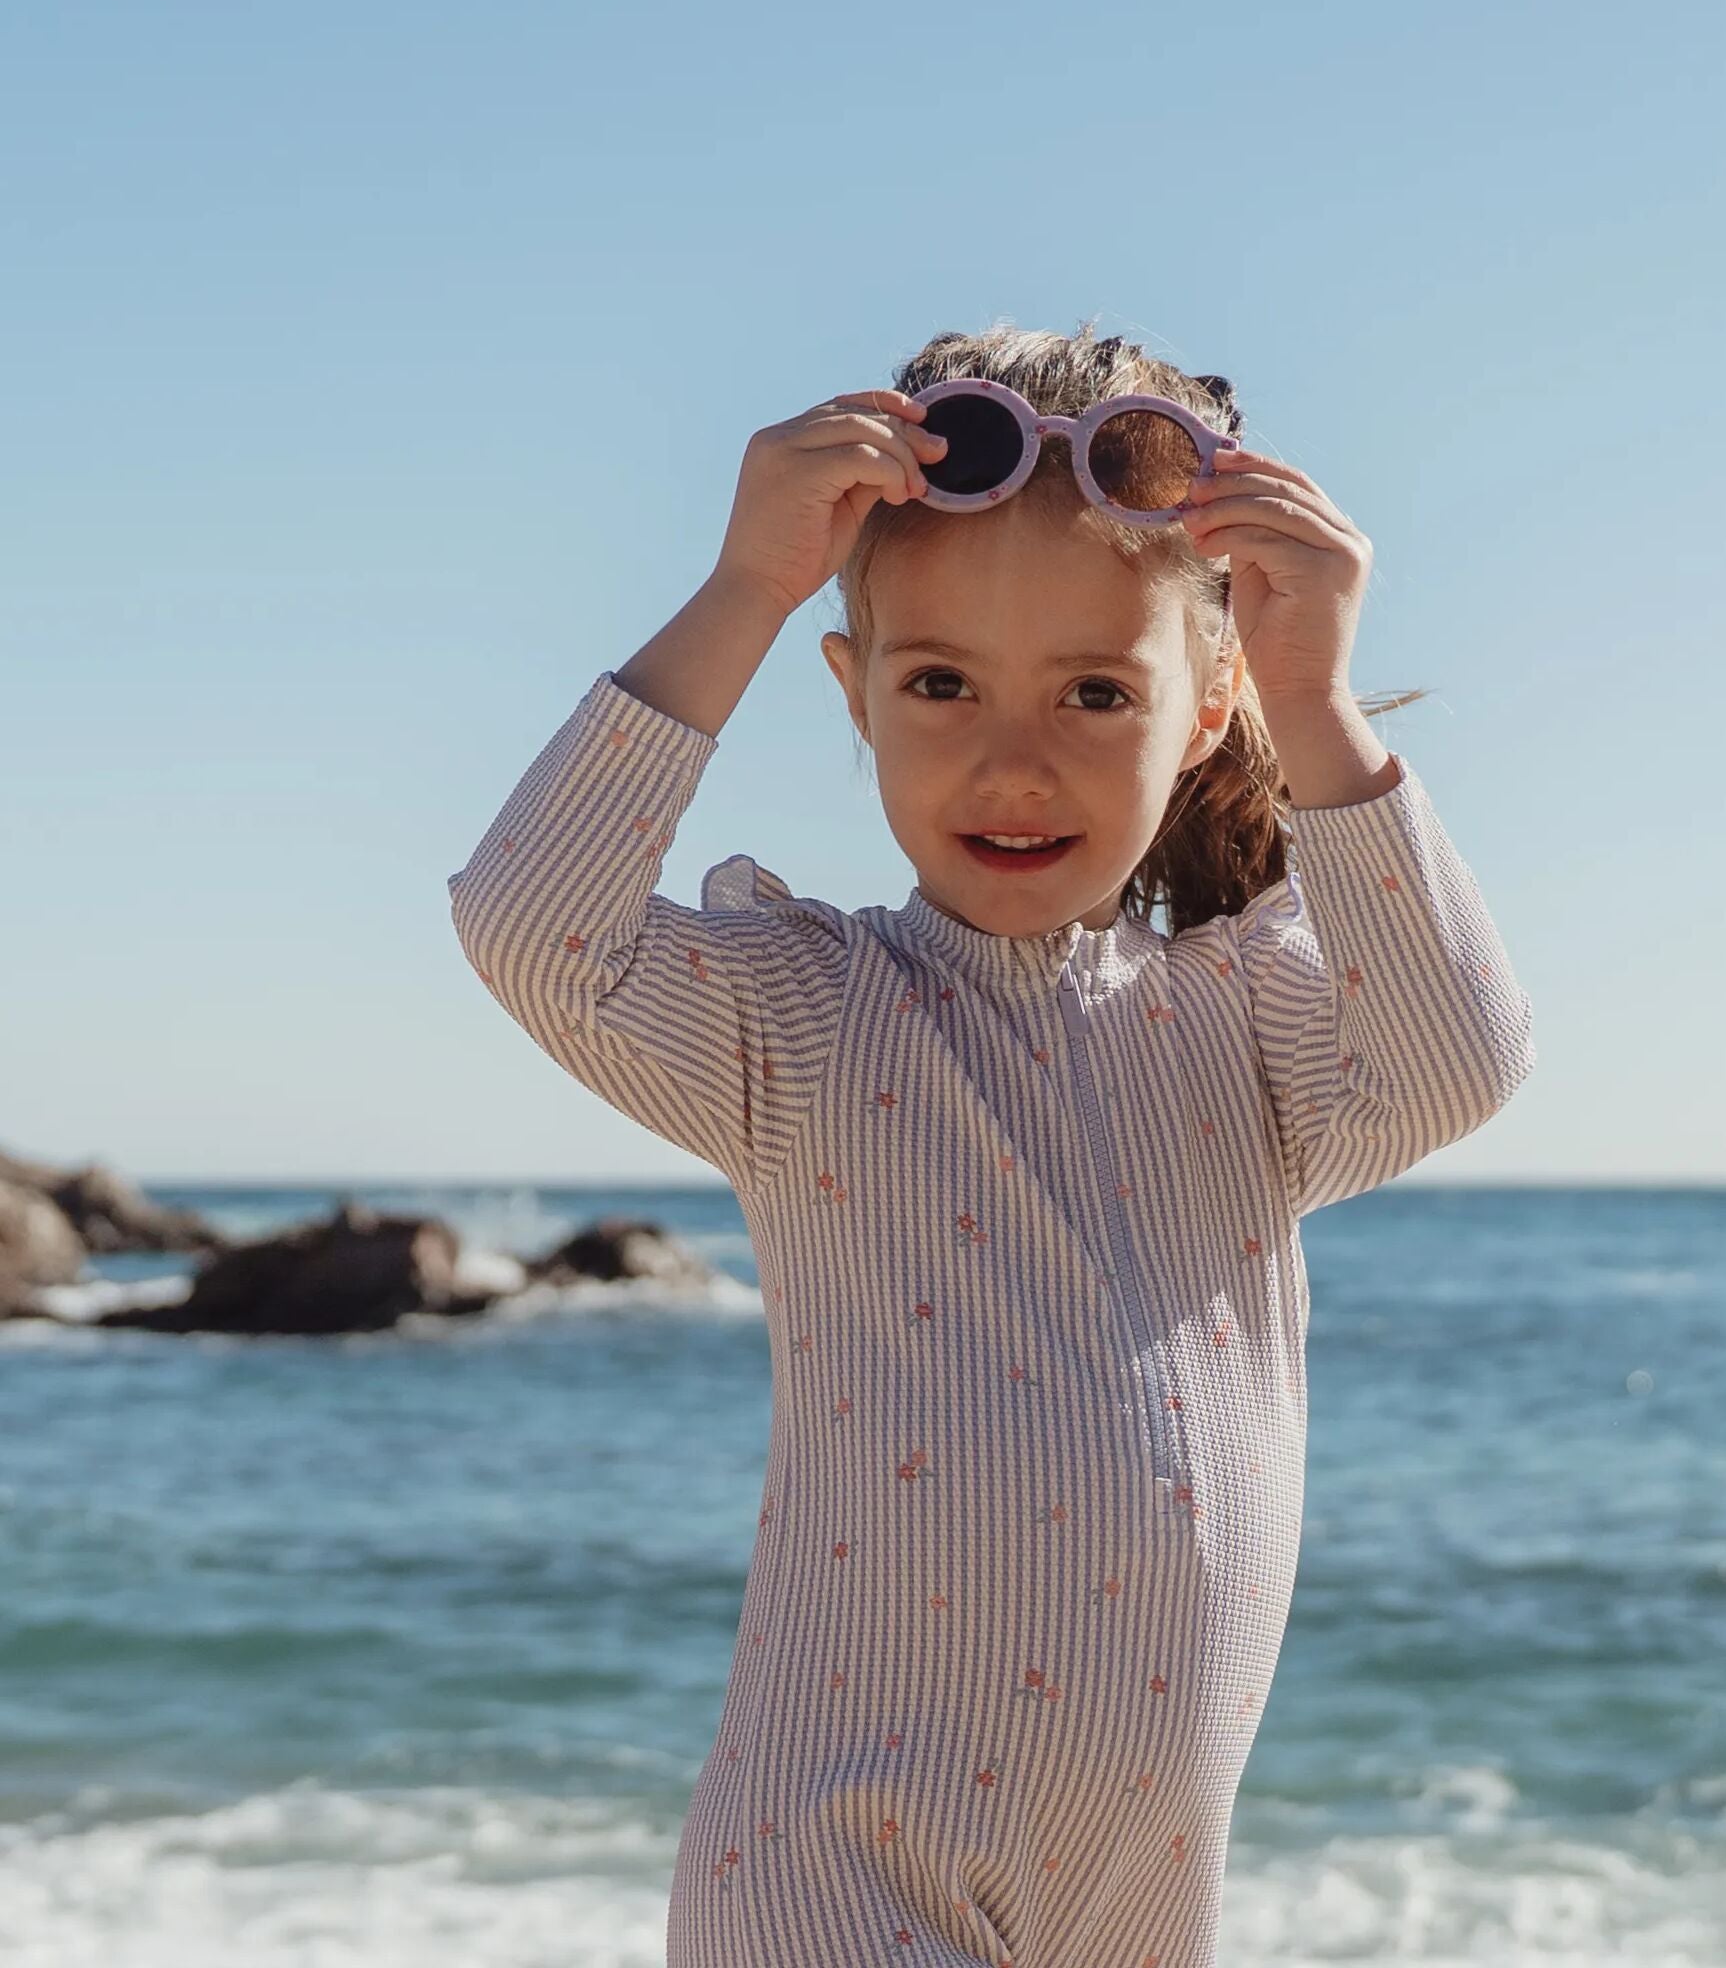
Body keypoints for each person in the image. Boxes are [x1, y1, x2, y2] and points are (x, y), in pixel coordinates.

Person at [446, 320, 1536, 1968]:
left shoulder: (1246, 1026)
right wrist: (745, 589)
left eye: (1098, 692)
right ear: (855, 694)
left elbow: (1462, 1056)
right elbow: (535, 926)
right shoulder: (804, 1022)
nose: (1012, 761)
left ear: (1205, 710)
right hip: (831, 1883)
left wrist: (1315, 699)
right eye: (940, 683)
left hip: (1132, 1910)